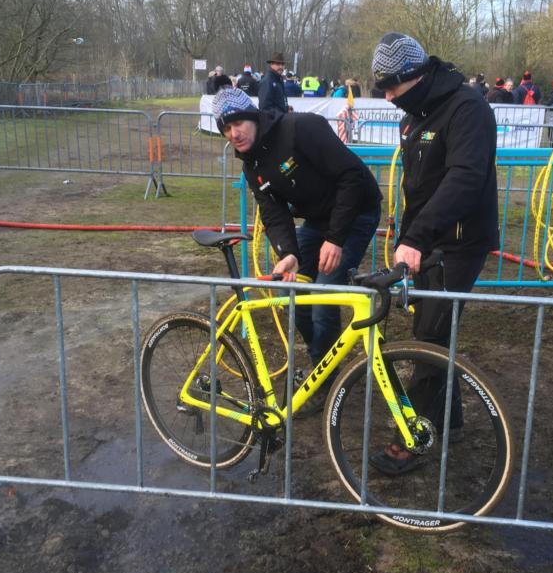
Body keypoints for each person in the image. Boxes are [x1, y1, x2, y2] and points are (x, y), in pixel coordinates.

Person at [368, 32, 499, 474]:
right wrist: (409, 238)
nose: (387, 97)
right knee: (435, 330)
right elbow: (418, 189)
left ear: (416, 75)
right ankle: (451, 421)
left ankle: (413, 438)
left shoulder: (467, 109)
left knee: (428, 337)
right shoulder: (414, 116)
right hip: (427, 242)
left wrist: (418, 237)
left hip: (460, 243)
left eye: (391, 87)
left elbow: (465, 178)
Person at [211, 87, 382, 377]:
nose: (234, 134)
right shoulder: (251, 165)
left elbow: (351, 175)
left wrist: (335, 239)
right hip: (317, 219)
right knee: (293, 294)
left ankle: (327, 381)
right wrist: (288, 253)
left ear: (253, 117)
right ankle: (322, 368)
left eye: (238, 123)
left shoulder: (301, 128)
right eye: (226, 129)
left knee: (324, 297)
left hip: (356, 212)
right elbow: (273, 213)